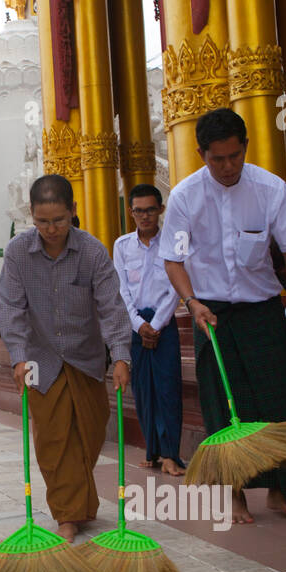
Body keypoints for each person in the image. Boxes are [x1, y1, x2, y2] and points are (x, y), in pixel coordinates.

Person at [160, 107, 286, 523]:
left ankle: (284, 492)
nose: (228, 167)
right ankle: (235, 495)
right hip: (210, 313)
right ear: (201, 154)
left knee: (278, 401)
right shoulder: (184, 197)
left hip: (262, 310)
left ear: (245, 147)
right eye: (217, 159)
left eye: (235, 156)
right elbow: (173, 260)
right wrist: (191, 302)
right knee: (225, 406)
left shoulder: (270, 189)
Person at [0, 176, 132, 540]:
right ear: (32, 215)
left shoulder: (91, 251)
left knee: (89, 436)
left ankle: (77, 505)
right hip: (40, 360)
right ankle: (67, 516)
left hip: (86, 357)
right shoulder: (17, 252)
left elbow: (112, 307)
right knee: (54, 443)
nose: (51, 229)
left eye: (59, 220)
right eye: (42, 221)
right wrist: (18, 357)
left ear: (73, 211)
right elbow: (11, 308)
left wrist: (121, 356)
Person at [113, 184, 185, 476]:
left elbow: (175, 288)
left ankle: (171, 454)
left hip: (164, 323)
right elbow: (121, 290)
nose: (145, 216)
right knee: (143, 389)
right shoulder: (122, 245)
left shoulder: (174, 242)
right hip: (136, 324)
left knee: (168, 388)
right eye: (139, 211)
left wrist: (155, 325)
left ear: (161, 209)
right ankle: (152, 450)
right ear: (131, 212)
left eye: (151, 210)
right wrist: (139, 325)